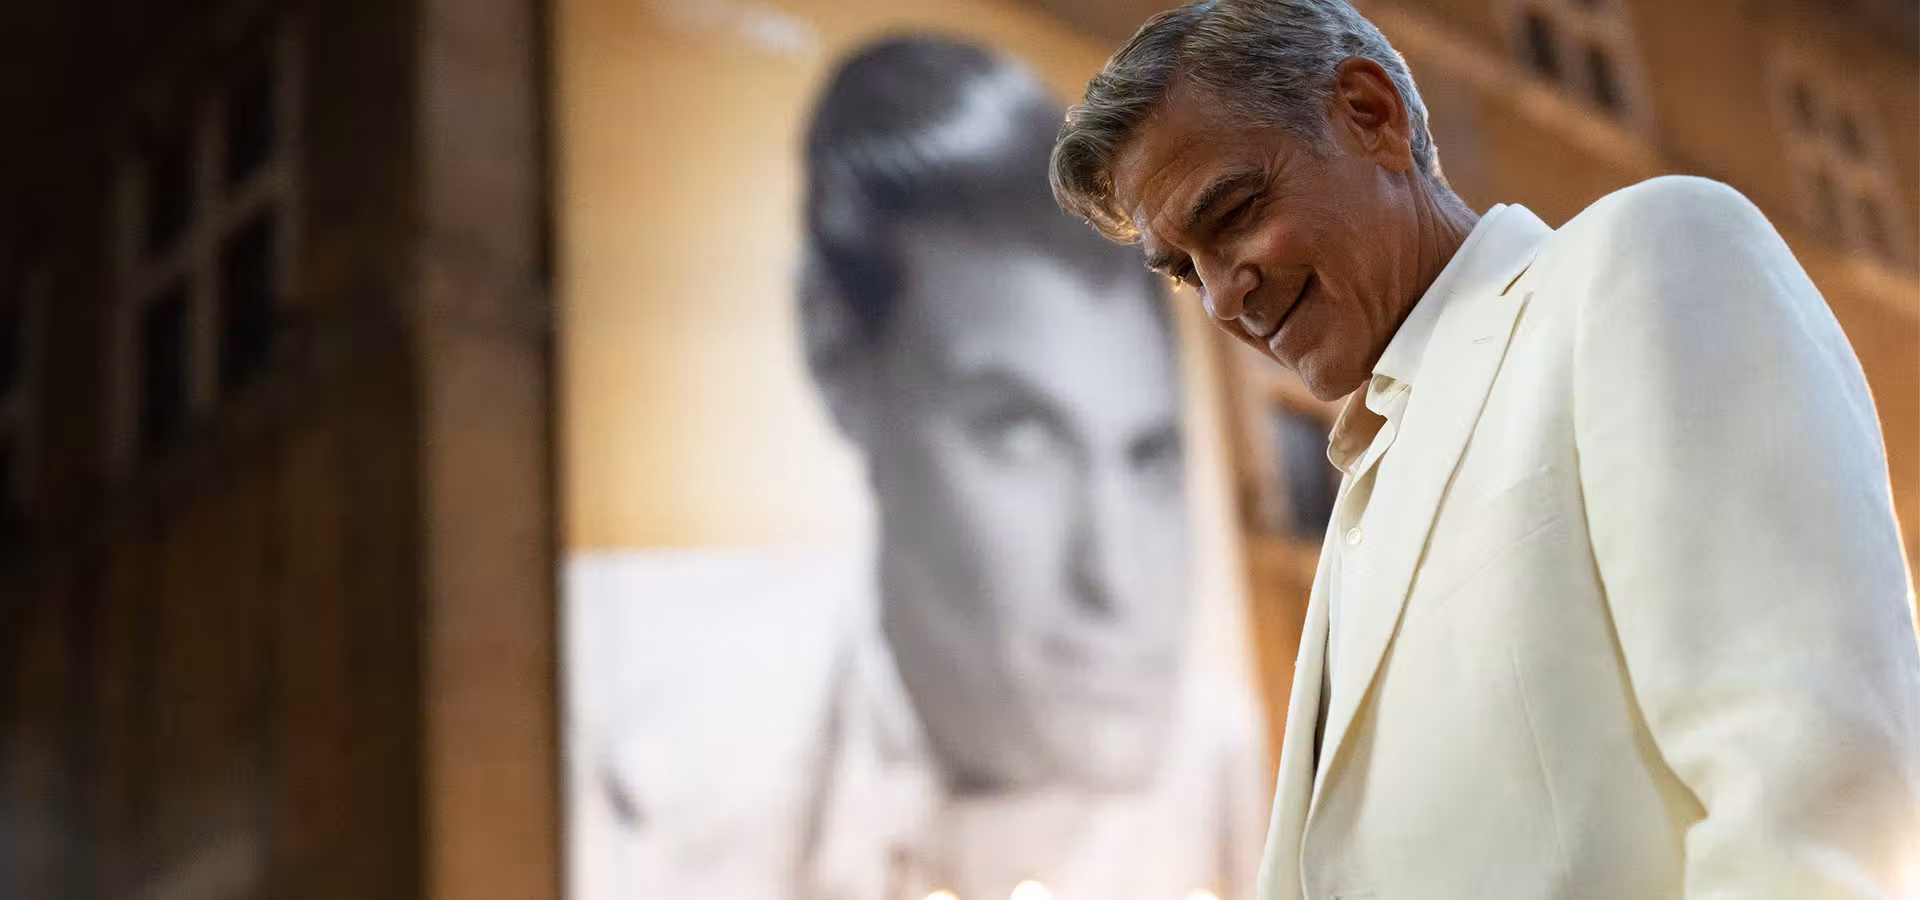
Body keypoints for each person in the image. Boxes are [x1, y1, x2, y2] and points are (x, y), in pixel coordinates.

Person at [1048, 2, 1920, 898]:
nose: (1222, 299)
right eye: (1185, 270)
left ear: (1370, 114)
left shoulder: (1648, 255)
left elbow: (1812, 785)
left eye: (1233, 213)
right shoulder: (1362, 492)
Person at [566, 35, 1266, 900]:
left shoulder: (1229, 768)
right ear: (835, 356)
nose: (1116, 583)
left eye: (1148, 457)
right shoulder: (616, 699)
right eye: (1019, 436)